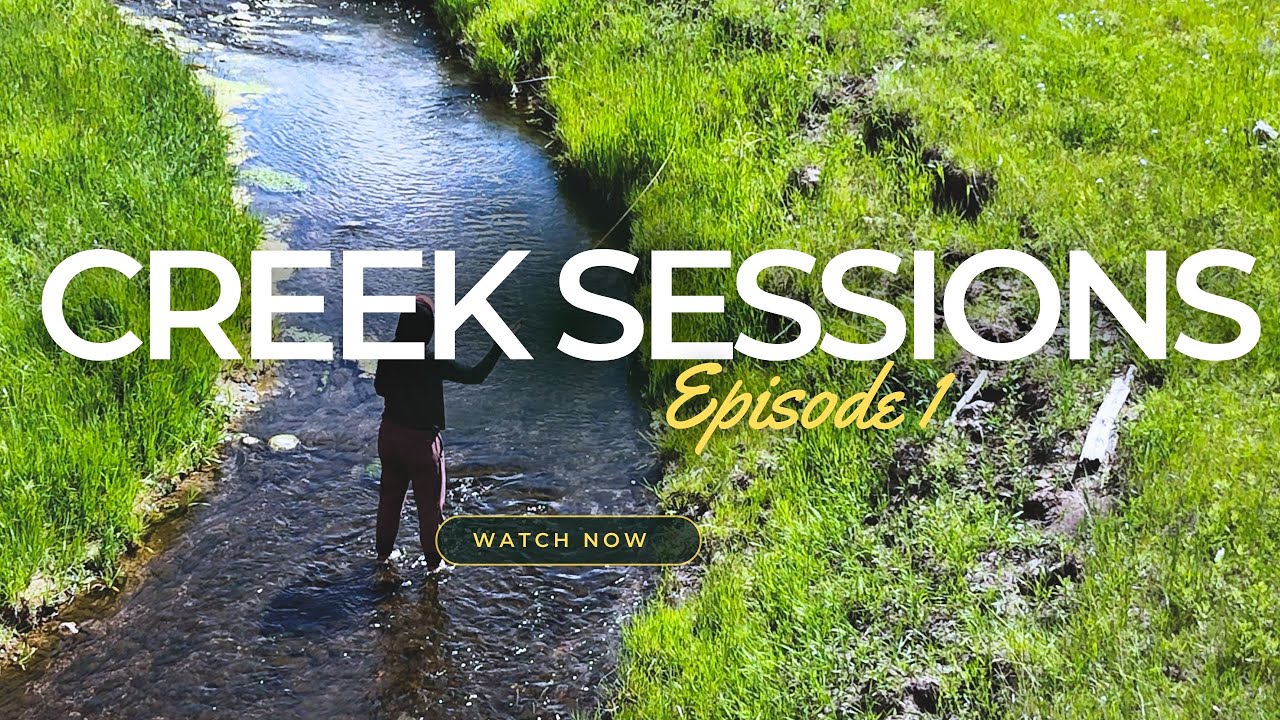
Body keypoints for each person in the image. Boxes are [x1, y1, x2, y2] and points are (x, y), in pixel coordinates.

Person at [373, 295, 508, 575]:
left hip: (390, 436)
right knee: (430, 510)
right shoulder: (433, 361)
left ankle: (382, 559)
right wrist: (498, 348)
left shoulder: (388, 353)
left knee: (389, 501)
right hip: (421, 444)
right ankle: (434, 569)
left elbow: (380, 389)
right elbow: (475, 376)